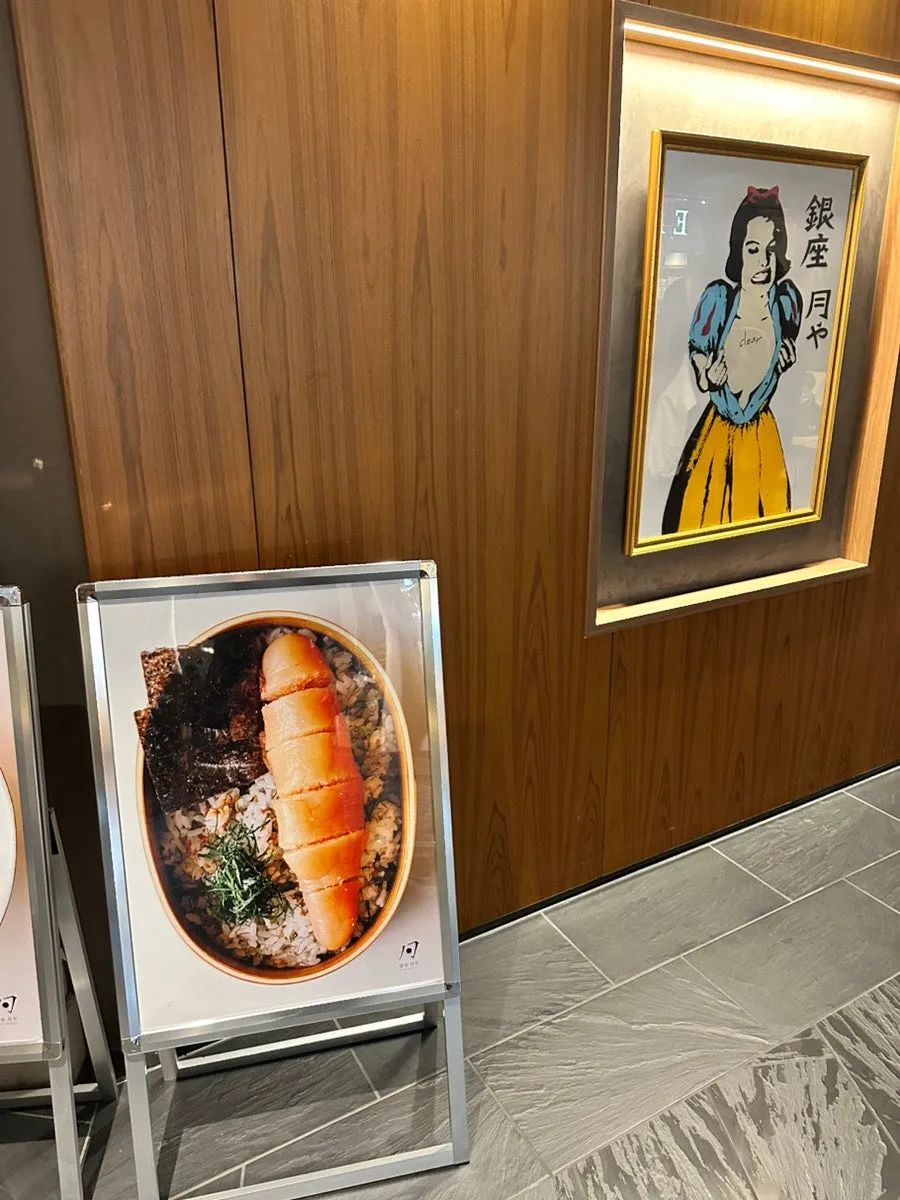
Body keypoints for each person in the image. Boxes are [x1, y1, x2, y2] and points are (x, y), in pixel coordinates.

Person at [662, 186, 802, 536]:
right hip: (717, 434)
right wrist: (706, 374)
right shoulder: (718, 298)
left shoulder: (786, 302)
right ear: (738, 251)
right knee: (699, 517)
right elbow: (697, 349)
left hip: (762, 438)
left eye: (771, 250)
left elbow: (784, 354)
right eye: (752, 249)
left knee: (762, 526)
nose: (763, 262)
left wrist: (787, 361)